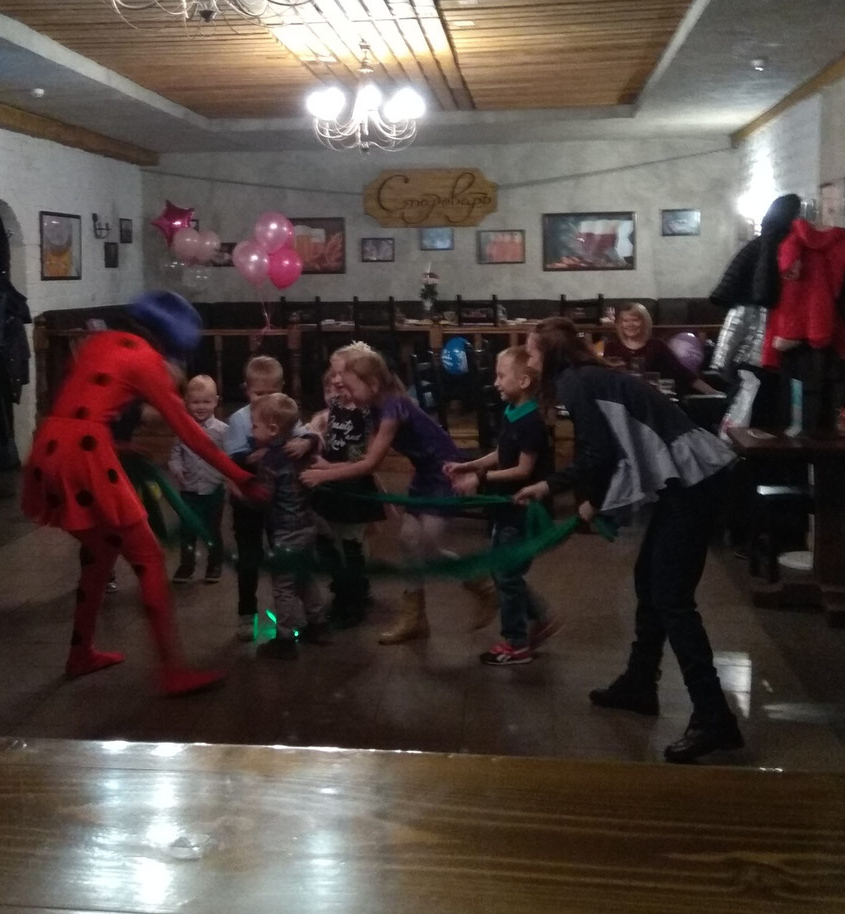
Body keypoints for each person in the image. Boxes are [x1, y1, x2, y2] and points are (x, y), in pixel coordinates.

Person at [521, 318, 743, 763]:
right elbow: (612, 448)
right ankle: (640, 683)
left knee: (672, 598)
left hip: (694, 480)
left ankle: (713, 717)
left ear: (550, 354)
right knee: (649, 580)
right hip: (690, 477)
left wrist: (551, 487)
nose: (528, 360)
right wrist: (593, 498)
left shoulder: (574, 382)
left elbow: (599, 453)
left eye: (530, 352)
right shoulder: (586, 376)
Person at [22, 291, 262, 696]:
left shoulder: (98, 342)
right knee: (148, 558)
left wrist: (117, 444)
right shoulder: (146, 359)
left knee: (99, 555)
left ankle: (80, 654)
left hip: (49, 445)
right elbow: (192, 434)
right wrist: (243, 477)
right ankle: (172, 672)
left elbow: (87, 401)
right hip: (85, 453)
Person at [301, 349, 495, 645]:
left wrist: (324, 476)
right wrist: (329, 466)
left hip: (445, 473)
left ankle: (483, 586)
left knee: (428, 546)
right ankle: (414, 618)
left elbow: (371, 464)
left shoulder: (394, 406)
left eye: (351, 386)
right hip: (425, 474)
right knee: (408, 542)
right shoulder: (375, 407)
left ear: (373, 384)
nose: (346, 392)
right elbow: (364, 455)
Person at [447, 346, 561, 665]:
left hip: (524, 511)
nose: (495, 382)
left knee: (506, 574)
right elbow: (502, 453)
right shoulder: (512, 412)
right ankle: (541, 618)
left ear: (523, 381)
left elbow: (523, 470)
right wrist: (469, 466)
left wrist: (480, 479)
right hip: (508, 508)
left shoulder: (532, 422)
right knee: (504, 572)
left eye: (500, 376)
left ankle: (516, 643)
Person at [225, 354, 316, 643]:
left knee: (287, 566)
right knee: (249, 557)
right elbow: (235, 458)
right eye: (258, 394)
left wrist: (306, 443)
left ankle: (299, 621)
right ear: (246, 390)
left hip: (279, 506)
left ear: (282, 389)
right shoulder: (240, 419)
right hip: (249, 499)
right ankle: (246, 613)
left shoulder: (284, 413)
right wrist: (260, 456)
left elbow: (308, 436)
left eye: (271, 392)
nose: (265, 400)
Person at [248, 392, 332, 660]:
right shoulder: (299, 452)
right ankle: (318, 625)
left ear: (273, 429)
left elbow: (263, 497)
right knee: (304, 576)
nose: (251, 431)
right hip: (307, 524)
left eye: (255, 426)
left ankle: (284, 640)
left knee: (283, 585)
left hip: (285, 531)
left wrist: (240, 489)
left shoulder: (270, 461)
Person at [308, 344, 385, 628]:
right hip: (331, 483)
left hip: (351, 484)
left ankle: (353, 599)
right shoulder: (336, 407)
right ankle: (342, 588)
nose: (337, 385)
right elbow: (326, 434)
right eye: (333, 379)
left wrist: (331, 469)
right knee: (329, 539)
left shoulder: (367, 411)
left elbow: (362, 455)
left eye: (342, 378)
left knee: (351, 544)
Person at [167, 374, 228, 585]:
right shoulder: (182, 429)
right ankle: (187, 565)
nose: (201, 407)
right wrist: (176, 467)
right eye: (195, 402)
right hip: (189, 489)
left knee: (212, 530)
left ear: (216, 401)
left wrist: (228, 476)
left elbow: (229, 456)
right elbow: (175, 453)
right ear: (187, 402)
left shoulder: (222, 431)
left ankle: (214, 564)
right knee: (187, 530)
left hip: (213, 489)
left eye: (206, 401)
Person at [602, 303, 717, 397]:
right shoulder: (611, 347)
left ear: (644, 322)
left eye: (635, 320)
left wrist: (712, 392)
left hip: (653, 398)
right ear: (620, 324)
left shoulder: (657, 346)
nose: (630, 324)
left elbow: (682, 373)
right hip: (621, 399)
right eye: (625, 321)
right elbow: (605, 379)